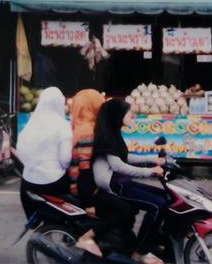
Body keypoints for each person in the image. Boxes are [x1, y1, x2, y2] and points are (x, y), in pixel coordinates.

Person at [92, 98, 166, 264]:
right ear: (117, 115)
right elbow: (118, 166)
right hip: (115, 184)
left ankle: (154, 240)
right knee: (157, 205)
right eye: (128, 111)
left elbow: (125, 156)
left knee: (166, 197)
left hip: (122, 181)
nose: (131, 114)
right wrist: (149, 171)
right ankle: (140, 251)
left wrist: (153, 159)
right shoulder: (107, 136)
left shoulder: (114, 132)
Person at [68, 89, 137, 258]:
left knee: (131, 207)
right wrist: (89, 201)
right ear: (91, 105)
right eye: (98, 101)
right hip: (87, 189)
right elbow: (84, 169)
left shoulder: (86, 126)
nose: (102, 103)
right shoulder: (87, 132)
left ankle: (120, 246)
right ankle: (88, 236)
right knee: (126, 211)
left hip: (92, 185)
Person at [16, 87, 72, 219]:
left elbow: (20, 151)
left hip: (29, 181)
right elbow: (66, 160)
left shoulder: (31, 124)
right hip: (54, 181)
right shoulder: (63, 125)